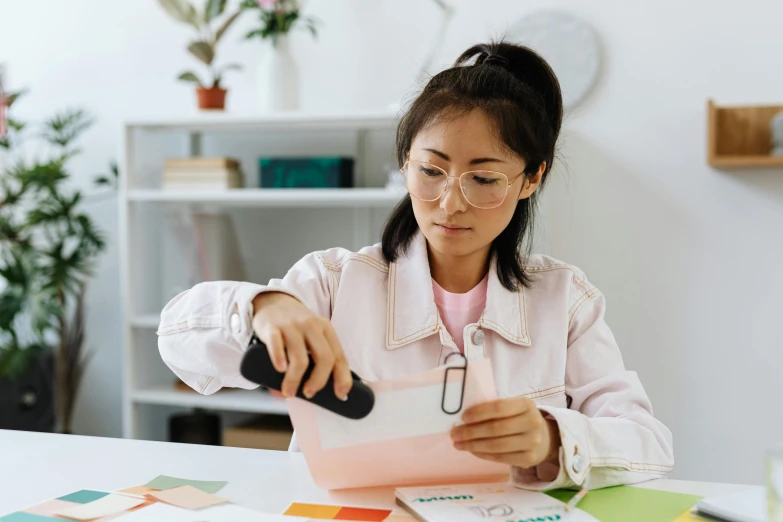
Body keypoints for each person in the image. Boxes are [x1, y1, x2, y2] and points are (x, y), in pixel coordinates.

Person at [158, 41, 673, 490]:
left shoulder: (565, 301)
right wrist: (263, 308)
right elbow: (176, 339)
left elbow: (648, 445)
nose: (450, 203)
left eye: (485, 179)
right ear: (405, 161)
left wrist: (553, 437)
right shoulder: (335, 283)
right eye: (431, 170)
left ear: (531, 179)